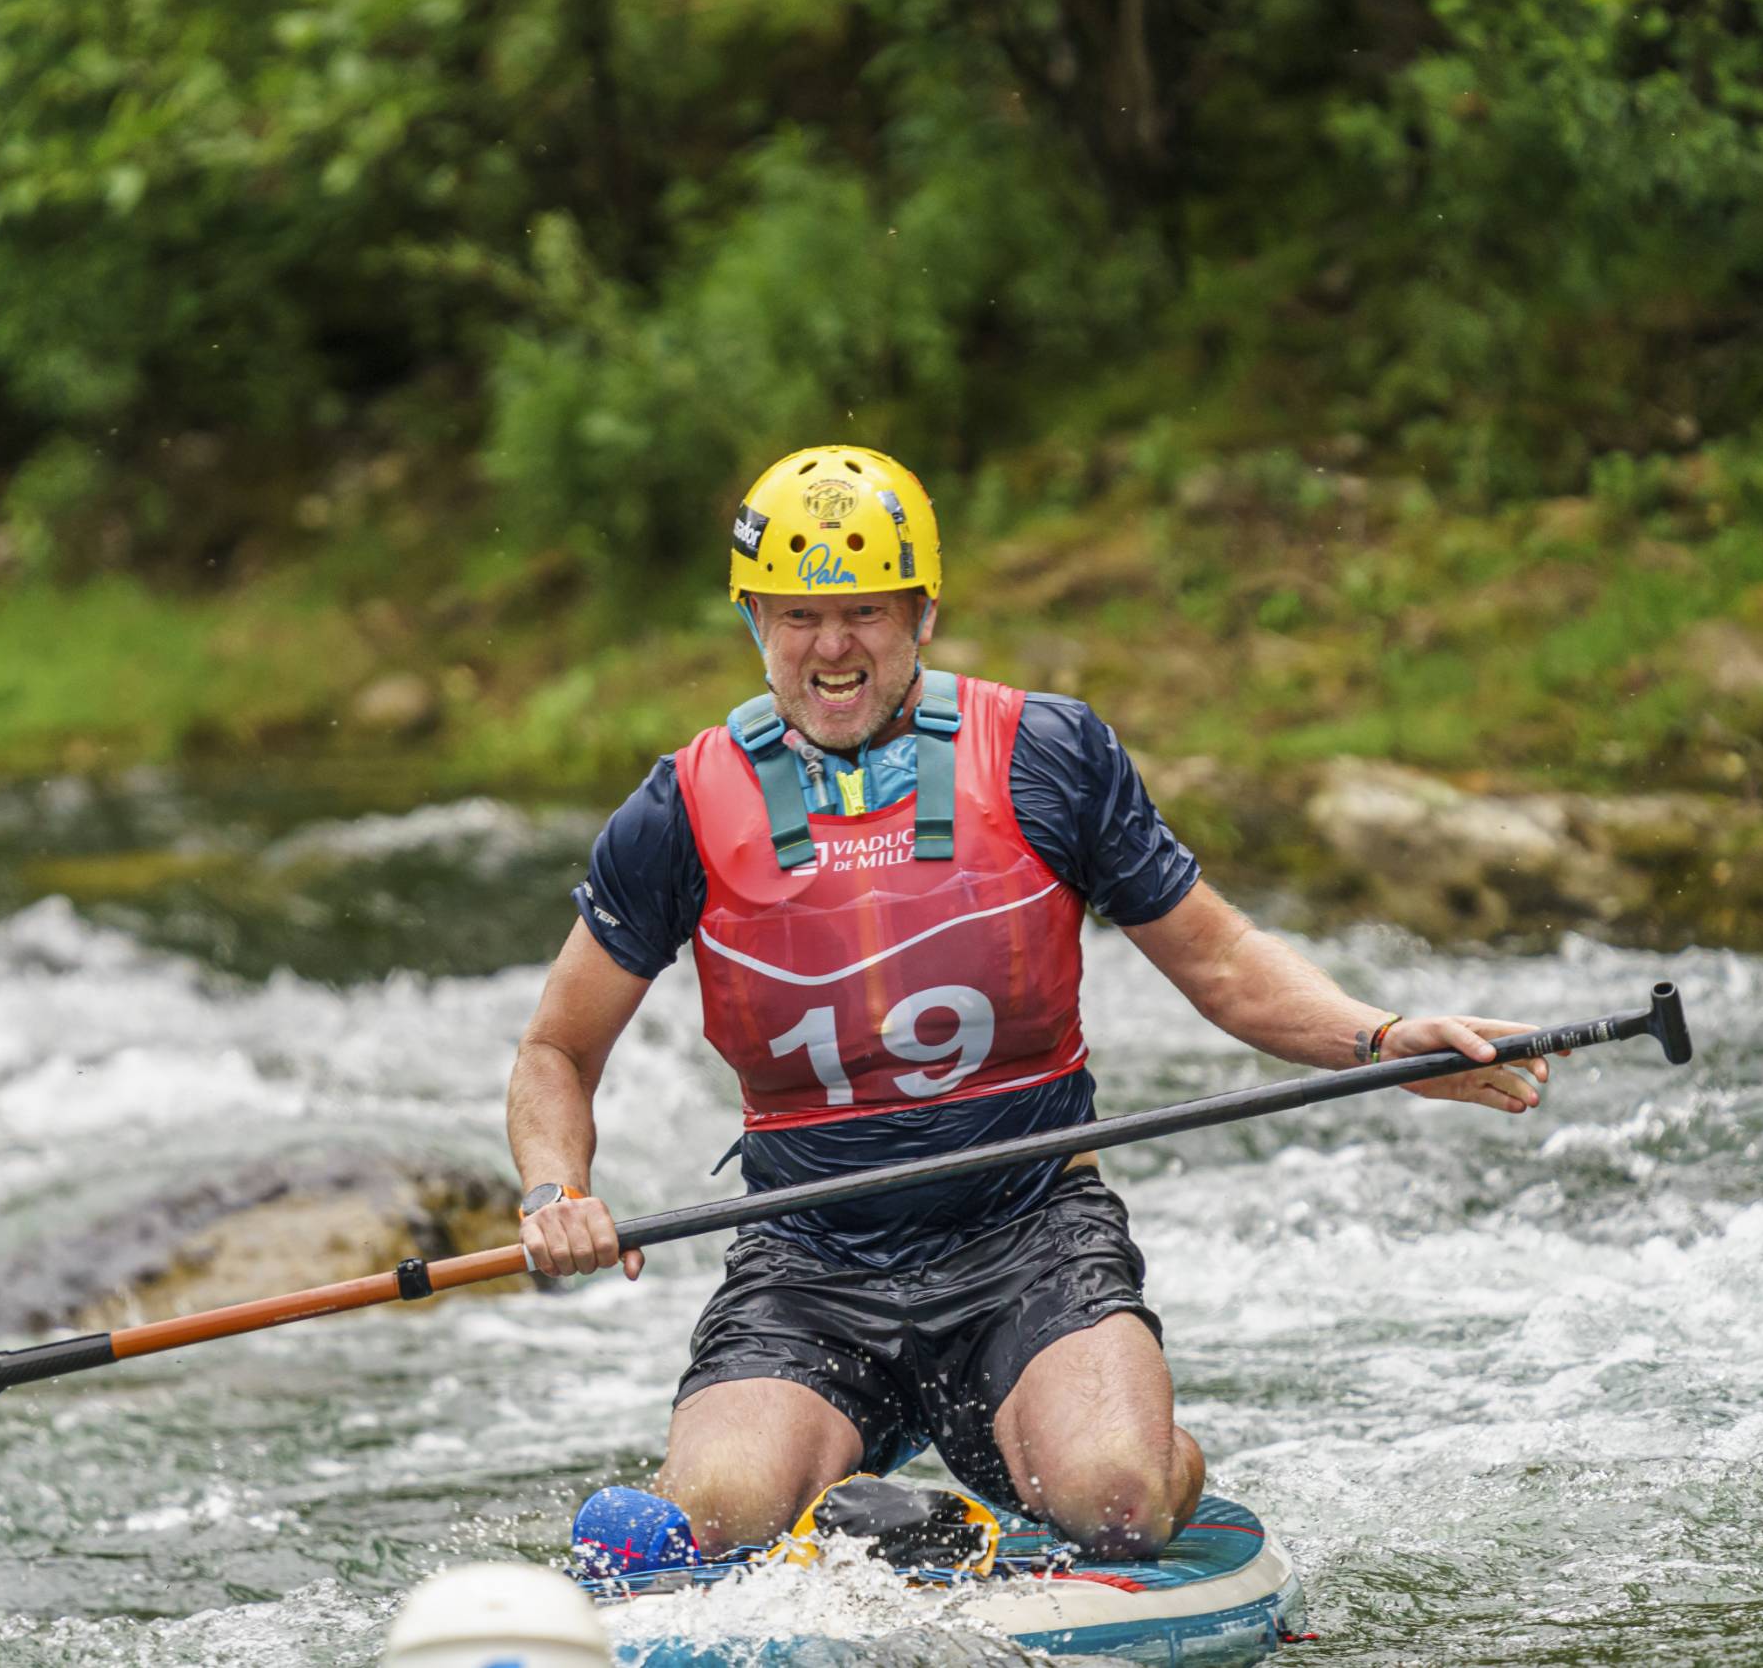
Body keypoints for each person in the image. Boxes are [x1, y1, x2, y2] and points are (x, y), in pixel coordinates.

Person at [506, 445, 1552, 1561]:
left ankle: (1147, 1454)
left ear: (924, 610)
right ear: (753, 619)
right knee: (710, 1520)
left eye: (864, 609)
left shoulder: (1048, 756)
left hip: (1029, 1237)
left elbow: (1226, 964)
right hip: (808, 1263)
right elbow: (555, 1053)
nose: (832, 646)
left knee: (1114, 1499)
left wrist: (1380, 1039)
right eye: (797, 615)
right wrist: (554, 1188)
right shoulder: (676, 811)